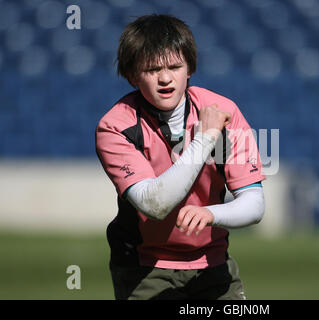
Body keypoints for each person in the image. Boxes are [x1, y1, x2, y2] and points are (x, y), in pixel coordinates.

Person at [95, 14, 265, 300]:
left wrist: (211, 213)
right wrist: (205, 138)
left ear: (189, 69)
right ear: (133, 75)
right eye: (152, 69)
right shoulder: (116, 126)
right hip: (145, 268)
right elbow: (155, 203)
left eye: (175, 67)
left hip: (212, 263)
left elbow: (254, 204)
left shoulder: (224, 112)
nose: (165, 78)